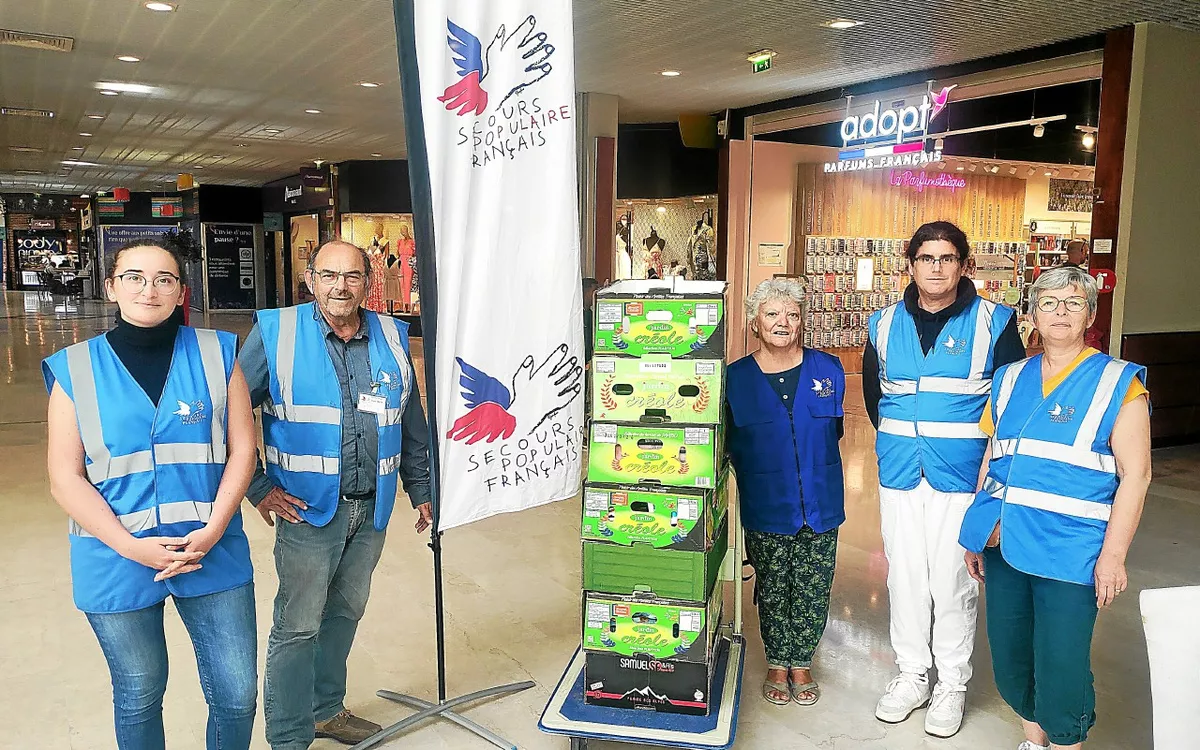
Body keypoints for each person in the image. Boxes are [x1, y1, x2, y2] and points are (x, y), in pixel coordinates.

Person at [44, 242, 258, 749]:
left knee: (236, 695)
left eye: (164, 279)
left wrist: (213, 529)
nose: (149, 288)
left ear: (182, 291)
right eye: (135, 277)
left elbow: (243, 450)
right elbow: (65, 477)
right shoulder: (75, 369)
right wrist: (130, 546)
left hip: (210, 548)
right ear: (111, 287)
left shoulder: (217, 353)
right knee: (139, 692)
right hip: (115, 556)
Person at [239, 239, 433, 749]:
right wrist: (258, 487)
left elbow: (411, 419)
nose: (339, 286)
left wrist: (421, 487)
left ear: (368, 282)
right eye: (328, 275)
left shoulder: (391, 334)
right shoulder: (275, 333)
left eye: (351, 276)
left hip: (372, 510)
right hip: (306, 512)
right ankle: (287, 736)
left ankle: (326, 711)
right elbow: (228, 417)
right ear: (310, 279)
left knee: (345, 613)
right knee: (298, 626)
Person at [960, 267, 1151, 750]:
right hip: (1005, 542)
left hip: (1072, 550)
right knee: (1011, 656)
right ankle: (1033, 739)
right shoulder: (1008, 378)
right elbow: (992, 455)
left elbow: (1137, 475)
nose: (1060, 312)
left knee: (1061, 662)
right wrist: (977, 530)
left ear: (1090, 314)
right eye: (1048, 302)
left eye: (1072, 302)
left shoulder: (1117, 382)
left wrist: (1113, 557)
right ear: (1033, 313)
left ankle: (1065, 741)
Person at [862, 220, 1026, 737]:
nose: (936, 268)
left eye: (947, 258)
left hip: (963, 477)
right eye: (926, 258)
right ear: (909, 264)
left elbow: (1010, 400)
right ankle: (911, 674)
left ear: (964, 265)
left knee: (953, 579)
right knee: (904, 574)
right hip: (899, 471)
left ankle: (952, 682)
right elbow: (874, 399)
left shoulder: (994, 322)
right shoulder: (882, 322)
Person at [726, 278, 846, 707]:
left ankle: (802, 660)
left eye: (792, 314)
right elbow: (728, 447)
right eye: (773, 314)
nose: (783, 322)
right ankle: (778, 661)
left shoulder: (828, 370)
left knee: (814, 585)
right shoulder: (734, 380)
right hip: (766, 502)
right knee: (774, 585)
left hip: (821, 499)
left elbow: (834, 431)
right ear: (755, 322)